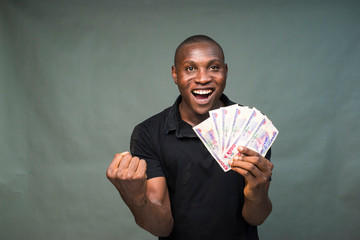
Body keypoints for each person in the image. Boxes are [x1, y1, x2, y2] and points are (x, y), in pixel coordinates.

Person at [106, 35, 274, 240]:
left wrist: (257, 191)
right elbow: (162, 227)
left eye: (214, 67)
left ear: (225, 71)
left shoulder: (251, 127)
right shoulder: (148, 133)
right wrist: (134, 198)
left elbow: (256, 217)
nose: (203, 78)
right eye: (190, 68)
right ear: (175, 74)